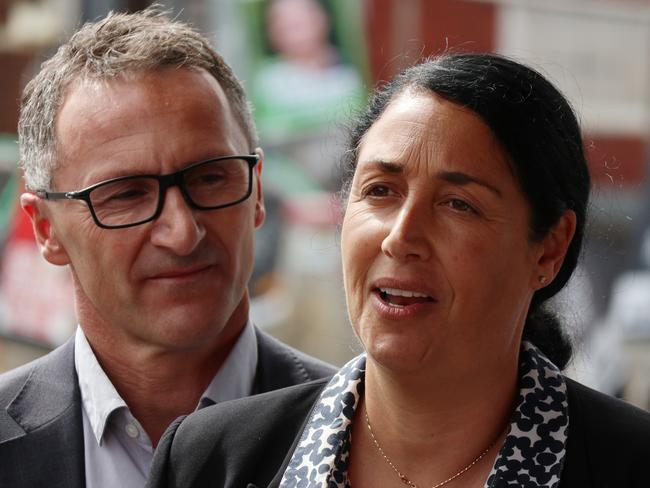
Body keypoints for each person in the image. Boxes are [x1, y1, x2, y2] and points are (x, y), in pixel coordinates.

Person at [147, 53, 650, 488]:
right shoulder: (209, 460)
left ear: (548, 249)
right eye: (380, 191)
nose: (400, 237)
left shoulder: (627, 465)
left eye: (458, 204)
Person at [0, 8, 334, 488]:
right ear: (47, 230)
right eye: (127, 194)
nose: (182, 233)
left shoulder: (366, 436)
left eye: (211, 178)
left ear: (257, 191)